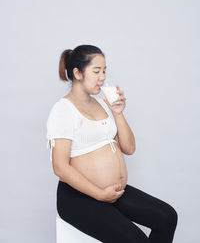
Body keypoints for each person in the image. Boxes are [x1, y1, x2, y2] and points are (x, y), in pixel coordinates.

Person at [46, 44, 178, 243]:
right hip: (78, 198)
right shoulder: (63, 110)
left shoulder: (102, 104)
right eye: (96, 71)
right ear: (78, 73)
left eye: (105, 71)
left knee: (167, 217)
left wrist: (118, 113)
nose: (103, 77)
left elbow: (129, 148)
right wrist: (99, 194)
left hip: (112, 192)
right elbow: (60, 167)